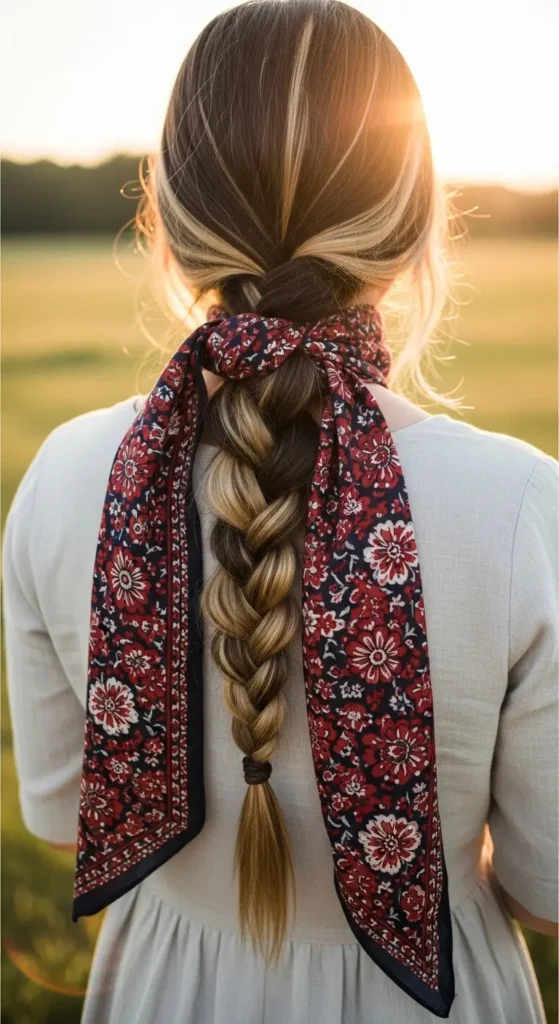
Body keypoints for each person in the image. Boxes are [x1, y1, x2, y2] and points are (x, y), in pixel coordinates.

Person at [4, 1, 557, 1022]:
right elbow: (547, 886)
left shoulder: (66, 471)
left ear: (163, 218)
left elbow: (56, 814)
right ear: (418, 224)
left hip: (160, 991)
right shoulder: (519, 503)